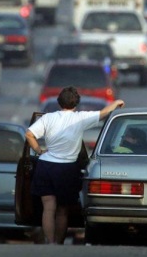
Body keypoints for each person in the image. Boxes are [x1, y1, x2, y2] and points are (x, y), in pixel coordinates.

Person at [26, 86, 125, 245]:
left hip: (45, 166)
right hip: (66, 169)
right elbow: (103, 113)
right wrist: (116, 103)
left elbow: (29, 134)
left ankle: (49, 242)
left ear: (59, 102)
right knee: (62, 211)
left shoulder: (48, 118)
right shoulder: (80, 118)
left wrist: (39, 150)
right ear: (76, 103)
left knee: (48, 208)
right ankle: (58, 243)